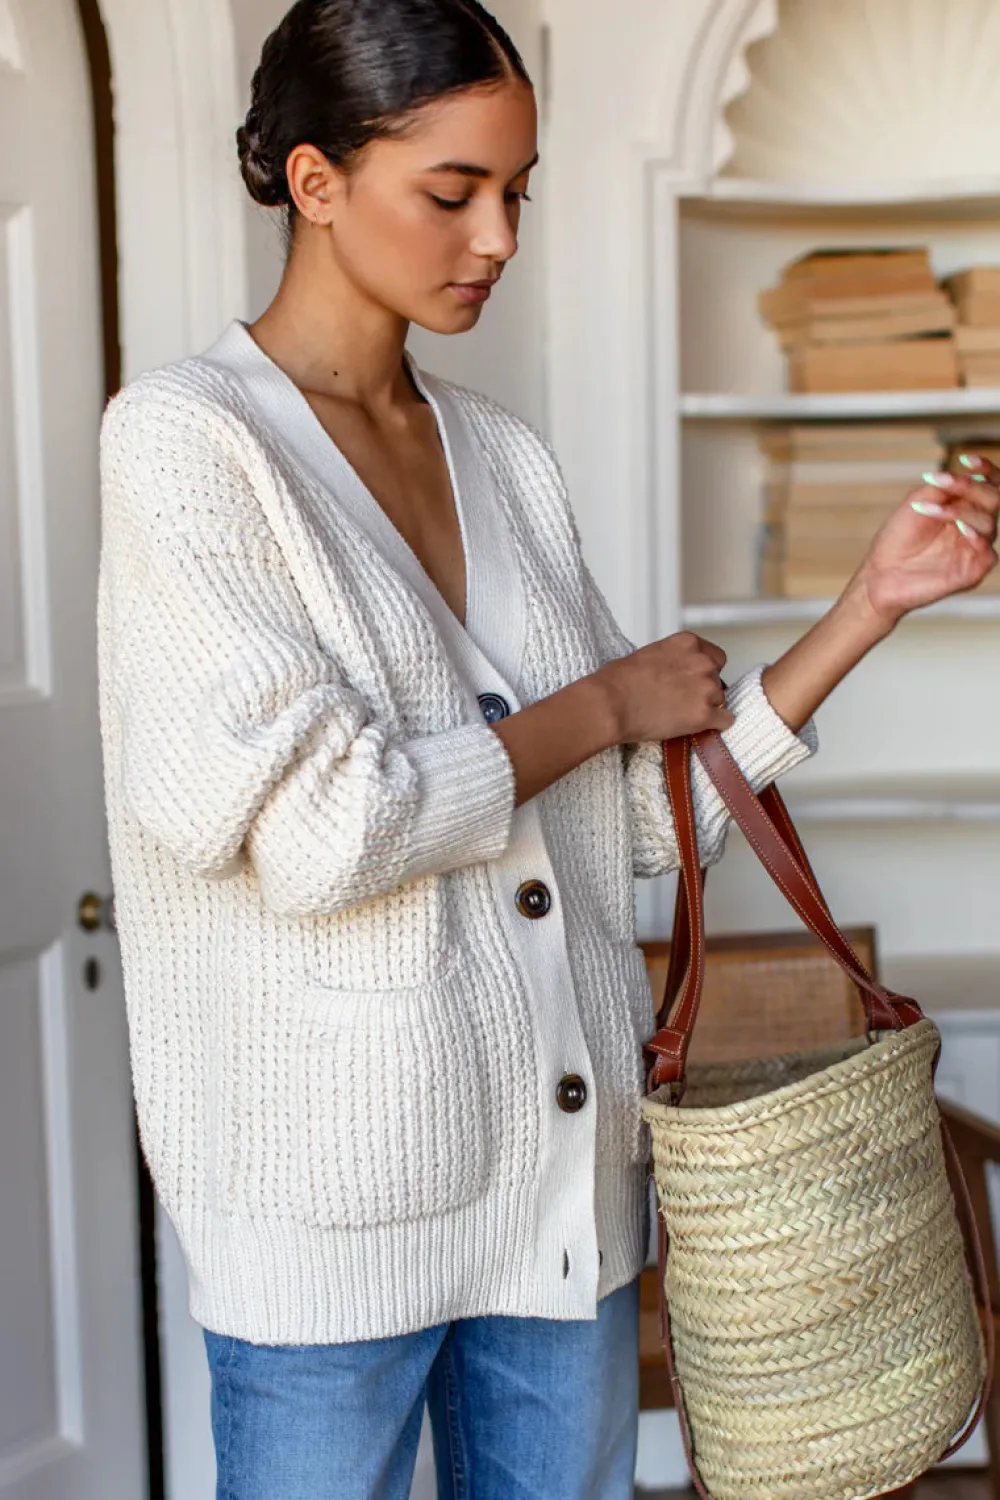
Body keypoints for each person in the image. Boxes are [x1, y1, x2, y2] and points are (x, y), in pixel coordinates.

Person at [96, 2, 999, 1497]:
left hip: (565, 1187)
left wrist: (869, 604)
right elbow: (327, 827)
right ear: (314, 181)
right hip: (330, 1214)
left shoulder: (502, 457)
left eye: (519, 191)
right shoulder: (190, 445)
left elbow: (631, 828)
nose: (498, 235)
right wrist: (597, 707)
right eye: (452, 193)